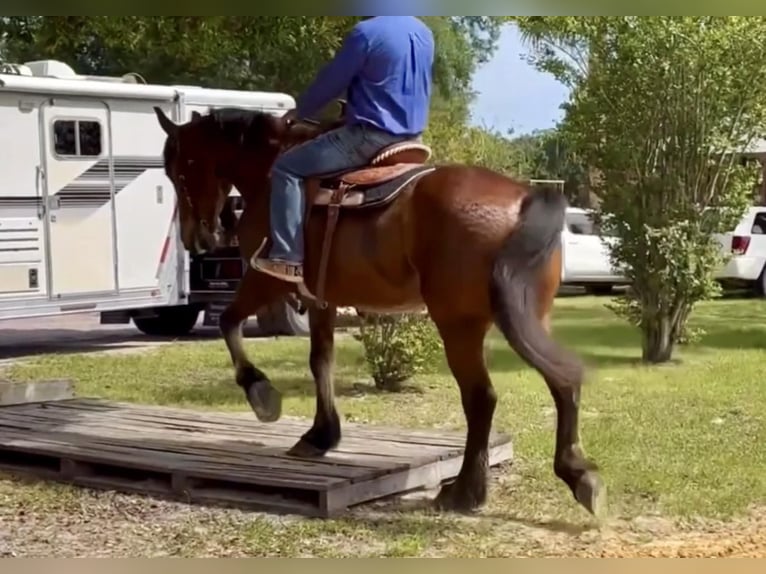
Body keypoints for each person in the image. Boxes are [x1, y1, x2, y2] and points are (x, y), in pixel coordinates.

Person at [251, 16, 435, 284]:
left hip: (369, 137)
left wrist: (300, 111)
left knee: (287, 168)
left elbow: (332, 81)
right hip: (413, 139)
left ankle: (287, 257)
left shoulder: (366, 33)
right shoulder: (423, 32)